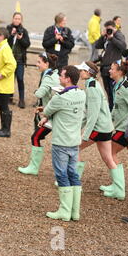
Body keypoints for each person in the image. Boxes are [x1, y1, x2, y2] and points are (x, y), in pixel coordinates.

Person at [39, 65, 86, 221]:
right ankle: (75, 212)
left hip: (61, 142)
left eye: (61, 75)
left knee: (62, 175)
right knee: (73, 175)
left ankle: (64, 211)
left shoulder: (60, 97)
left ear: (68, 79)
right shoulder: (81, 95)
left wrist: (46, 117)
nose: (59, 77)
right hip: (74, 141)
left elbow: (47, 111)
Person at [18, 53, 59, 176]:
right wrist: (43, 108)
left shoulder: (48, 77)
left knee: (36, 137)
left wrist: (36, 91)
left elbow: (39, 94)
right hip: (53, 112)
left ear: (47, 64)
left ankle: (34, 168)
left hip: (54, 116)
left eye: (39, 62)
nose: (37, 64)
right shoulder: (54, 73)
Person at [75, 61, 116, 183]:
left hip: (99, 129)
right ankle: (119, 189)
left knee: (74, 148)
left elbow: (93, 115)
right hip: (105, 128)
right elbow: (89, 112)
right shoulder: (92, 84)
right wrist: (79, 125)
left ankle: (73, 181)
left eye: (81, 70)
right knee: (108, 158)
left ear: (88, 72)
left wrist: (85, 134)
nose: (79, 72)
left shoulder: (92, 87)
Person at [100, 60, 128, 200]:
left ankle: (118, 188)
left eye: (112, 69)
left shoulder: (127, 87)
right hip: (122, 127)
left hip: (125, 129)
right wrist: (109, 120)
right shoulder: (117, 85)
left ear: (119, 72)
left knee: (110, 153)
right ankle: (117, 186)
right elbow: (116, 108)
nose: (109, 71)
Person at [0, 27, 17, 138]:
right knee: (1, 105)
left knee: (4, 106)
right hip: (0, 84)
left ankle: (6, 130)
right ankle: (3, 128)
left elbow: (12, 64)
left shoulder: (5, 48)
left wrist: (3, 73)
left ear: (2, 37)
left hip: (4, 84)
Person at [95, 20, 127, 110]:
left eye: (110, 29)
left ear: (114, 28)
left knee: (114, 90)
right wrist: (102, 36)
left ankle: (114, 109)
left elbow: (123, 46)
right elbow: (97, 45)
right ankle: (111, 108)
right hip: (105, 68)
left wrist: (112, 38)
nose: (108, 31)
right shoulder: (106, 36)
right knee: (108, 90)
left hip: (114, 68)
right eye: (107, 29)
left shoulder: (119, 35)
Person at [7, 12, 31, 108]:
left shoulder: (24, 31)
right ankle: (9, 98)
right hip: (9, 58)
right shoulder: (8, 28)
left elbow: (27, 44)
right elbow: (4, 42)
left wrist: (20, 38)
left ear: (21, 20)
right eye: (15, 18)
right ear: (12, 19)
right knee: (10, 78)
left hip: (20, 59)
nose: (17, 20)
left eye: (19, 19)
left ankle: (21, 100)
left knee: (20, 78)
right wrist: (12, 35)